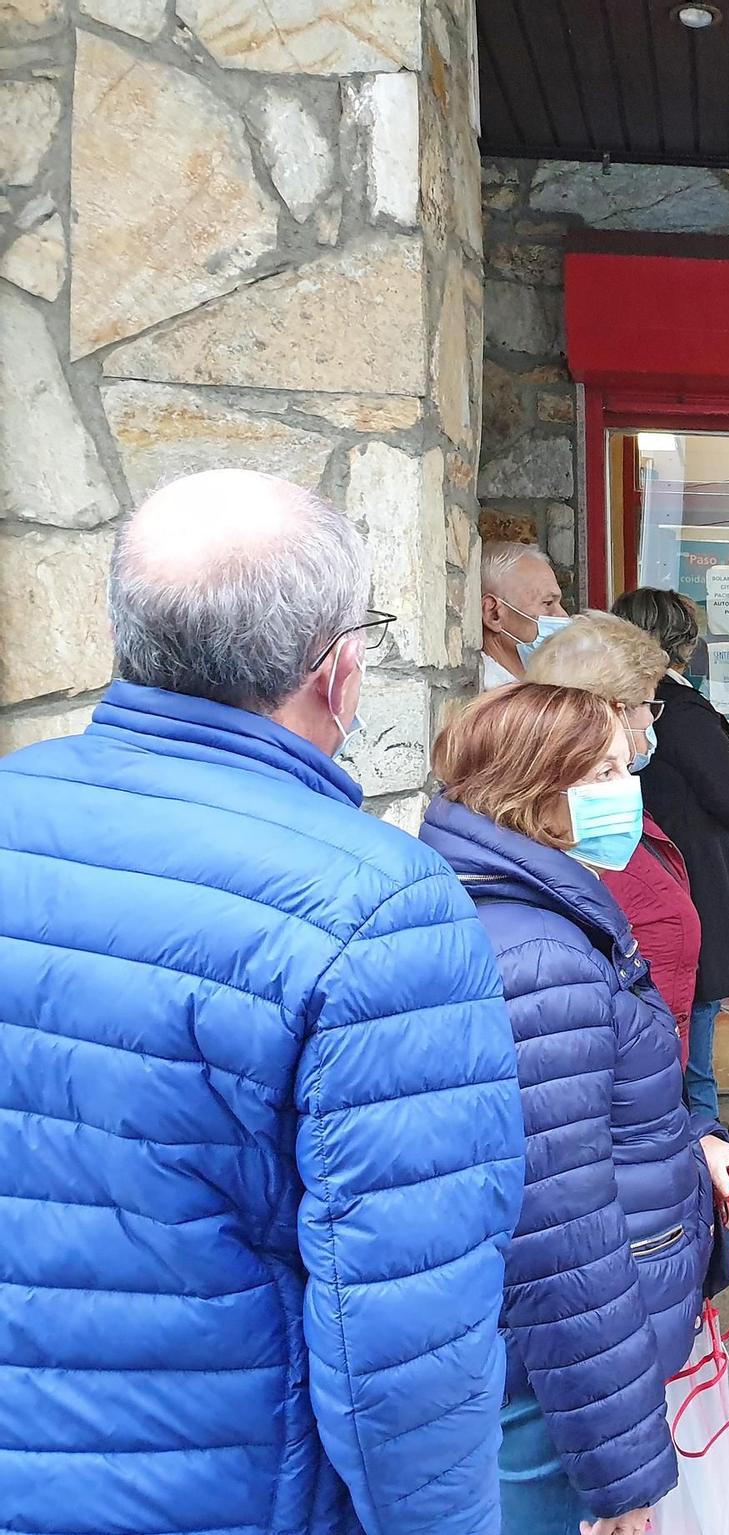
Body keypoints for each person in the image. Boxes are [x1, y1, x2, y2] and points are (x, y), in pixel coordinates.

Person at [0, 470, 527, 1535]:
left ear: (118, 628)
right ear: (339, 672)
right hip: (233, 1495)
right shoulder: (381, 906)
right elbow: (404, 1340)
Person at [420, 682, 729, 1535]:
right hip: (552, 1381)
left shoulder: (535, 901)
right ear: (537, 790)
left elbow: (593, 1115)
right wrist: (623, 1474)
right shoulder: (540, 954)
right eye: (605, 767)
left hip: (542, 1360)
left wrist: (691, 1141)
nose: (629, 780)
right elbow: (562, 1228)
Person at [613, 587, 729, 1123]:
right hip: (690, 878)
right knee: (693, 1026)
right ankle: (703, 1139)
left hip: (659, 872)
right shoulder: (681, 712)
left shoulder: (652, 708)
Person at [527, 612, 703, 1059]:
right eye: (647, 703)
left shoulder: (609, 815)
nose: (651, 721)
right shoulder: (573, 835)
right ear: (609, 710)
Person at [481, 539, 569, 689]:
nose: (564, 616)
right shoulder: (492, 703)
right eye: (547, 603)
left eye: (558, 603)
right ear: (493, 614)